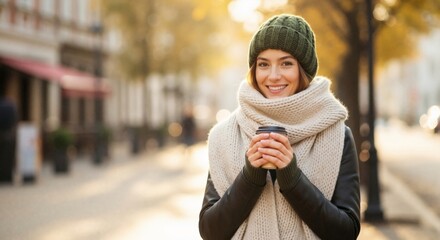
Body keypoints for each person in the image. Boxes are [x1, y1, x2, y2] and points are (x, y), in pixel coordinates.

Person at [198, 14, 360, 239]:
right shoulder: (223, 136)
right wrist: (250, 176)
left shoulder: (337, 135)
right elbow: (210, 231)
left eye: (286, 63)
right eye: (263, 64)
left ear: (303, 70)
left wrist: (292, 178)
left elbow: (346, 231)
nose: (273, 76)